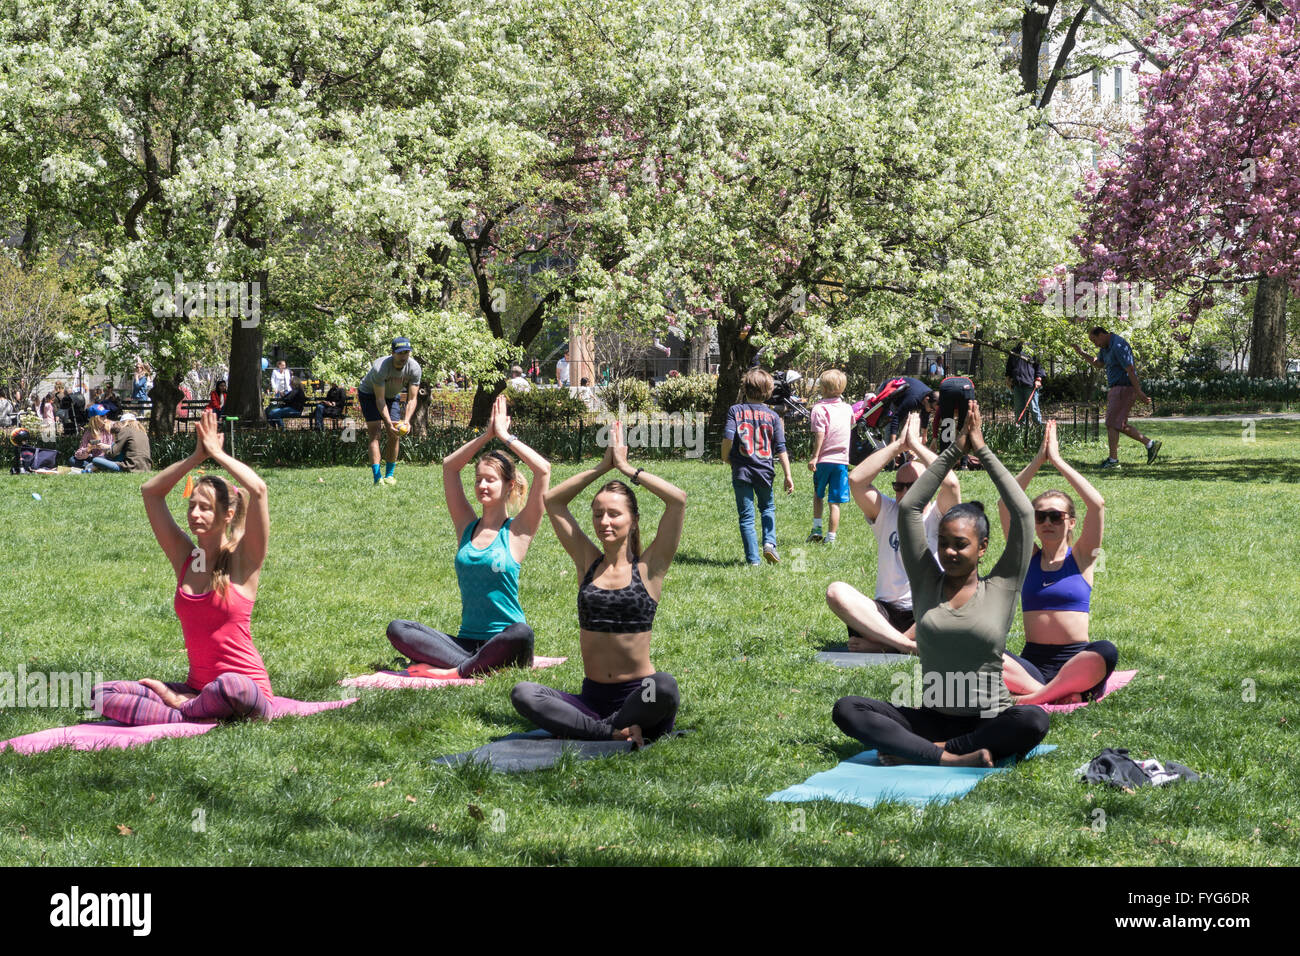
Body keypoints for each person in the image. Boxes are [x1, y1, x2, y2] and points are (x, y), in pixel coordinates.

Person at [830, 403, 1051, 766]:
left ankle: (924, 752)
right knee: (848, 709)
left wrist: (980, 449)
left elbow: (1024, 514)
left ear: (982, 549)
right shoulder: (925, 579)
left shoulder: (1002, 585)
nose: (948, 551)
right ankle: (947, 757)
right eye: (944, 542)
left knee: (1033, 719)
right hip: (932, 715)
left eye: (960, 544)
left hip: (988, 718)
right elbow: (911, 508)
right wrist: (952, 451)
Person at [91, 409, 274, 725]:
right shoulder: (187, 559)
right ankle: (188, 709)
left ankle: (181, 709)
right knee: (100, 693)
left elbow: (258, 490)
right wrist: (195, 457)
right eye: (191, 506)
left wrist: (217, 455)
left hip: (245, 689)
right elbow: (151, 493)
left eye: (205, 508)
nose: (195, 514)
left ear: (227, 515)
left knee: (231, 686)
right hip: (196, 688)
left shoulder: (243, 563)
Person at [511, 420, 684, 746]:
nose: (605, 521)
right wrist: (601, 467)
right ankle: (610, 732)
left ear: (632, 520)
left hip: (639, 693)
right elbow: (553, 501)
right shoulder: (587, 562)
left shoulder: (649, 568)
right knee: (524, 692)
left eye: (614, 514)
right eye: (598, 514)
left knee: (664, 686)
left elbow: (677, 500)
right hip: (590, 700)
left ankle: (602, 729)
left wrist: (627, 469)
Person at [385, 396, 549, 678]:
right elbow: (449, 467)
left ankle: (453, 671)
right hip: (465, 643)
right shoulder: (466, 527)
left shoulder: (518, 531)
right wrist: (486, 435)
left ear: (509, 485)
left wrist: (505, 437)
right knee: (398, 629)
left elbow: (543, 470)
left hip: (505, 641)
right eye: (478, 479)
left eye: (491, 479)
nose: (482, 485)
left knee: (522, 633)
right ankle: (471, 666)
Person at [996, 420, 1117, 705]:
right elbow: (1005, 505)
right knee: (980, 651)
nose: (1047, 521)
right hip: (1032, 664)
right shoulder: (1028, 557)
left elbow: (1097, 504)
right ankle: (1052, 694)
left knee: (1106, 651)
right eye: (1040, 516)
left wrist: (1059, 461)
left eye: (1056, 516)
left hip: (1075, 660)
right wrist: (1038, 460)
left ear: (1071, 521)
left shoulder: (1084, 557)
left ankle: (1031, 697)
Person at [827, 411, 960, 654]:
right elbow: (856, 480)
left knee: (953, 603)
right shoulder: (887, 511)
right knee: (835, 591)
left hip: (926, 612)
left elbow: (951, 483)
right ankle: (902, 645)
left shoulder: (940, 516)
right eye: (898, 486)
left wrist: (917, 446)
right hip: (883, 615)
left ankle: (881, 644)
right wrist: (898, 445)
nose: (902, 492)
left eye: (911, 486)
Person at [721, 367, 794, 565]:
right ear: (769, 391)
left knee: (746, 516)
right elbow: (781, 448)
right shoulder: (773, 417)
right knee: (767, 508)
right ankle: (769, 543)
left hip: (742, 470)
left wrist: (726, 457)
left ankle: (753, 560)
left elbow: (728, 437)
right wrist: (788, 475)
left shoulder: (735, 411)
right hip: (765, 471)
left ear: (744, 388)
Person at [1072, 326, 1161, 468]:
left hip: (1124, 388)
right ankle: (1149, 445)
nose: (1095, 344)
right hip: (1116, 388)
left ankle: (1116, 459)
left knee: (1112, 423)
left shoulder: (1118, 345)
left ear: (1101, 334)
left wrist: (1139, 392)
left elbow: (1130, 369)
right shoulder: (1106, 347)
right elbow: (1099, 364)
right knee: (1117, 424)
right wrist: (1082, 353)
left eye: (1095, 340)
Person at [357, 337, 421, 485]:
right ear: (392, 353)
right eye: (400, 353)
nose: (403, 356)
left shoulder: (414, 368)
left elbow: (412, 399)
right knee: (375, 434)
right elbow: (379, 400)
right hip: (369, 395)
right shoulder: (381, 367)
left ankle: (389, 475)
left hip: (391, 396)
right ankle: (377, 478)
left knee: (395, 434)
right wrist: (387, 421)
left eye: (406, 352)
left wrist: (406, 421)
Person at [807, 369, 853, 545]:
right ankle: (831, 538)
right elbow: (850, 425)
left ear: (824, 389)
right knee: (835, 501)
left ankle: (817, 528)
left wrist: (814, 456)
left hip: (824, 460)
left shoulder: (819, 409)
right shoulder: (847, 408)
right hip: (841, 461)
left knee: (818, 495)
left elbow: (820, 434)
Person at [1005, 342, 1045, 426]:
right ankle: (1020, 431)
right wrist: (1008, 379)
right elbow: (1009, 367)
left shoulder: (1033, 349)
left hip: (1030, 385)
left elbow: (1039, 366)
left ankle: (1038, 429)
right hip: (1017, 385)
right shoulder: (1014, 351)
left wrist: (1038, 379)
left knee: (1034, 408)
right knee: (1019, 409)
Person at [71, 404, 115, 472]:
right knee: (72, 460)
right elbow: (79, 452)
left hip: (110, 457)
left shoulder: (112, 426)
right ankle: (96, 467)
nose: (105, 417)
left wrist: (104, 446)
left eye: (106, 414)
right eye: (102, 416)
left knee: (96, 460)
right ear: (95, 419)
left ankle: (95, 467)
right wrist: (88, 449)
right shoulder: (89, 432)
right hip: (95, 458)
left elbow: (118, 446)